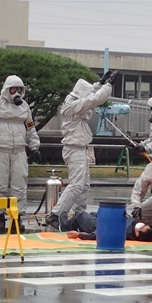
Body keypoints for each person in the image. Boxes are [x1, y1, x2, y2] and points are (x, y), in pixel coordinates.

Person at [46, 71, 118, 229]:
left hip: (79, 149)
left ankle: (80, 215)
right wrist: (108, 85)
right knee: (77, 185)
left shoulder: (73, 100)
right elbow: (94, 99)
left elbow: (88, 95)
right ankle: (56, 214)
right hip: (74, 149)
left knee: (84, 186)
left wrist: (99, 83)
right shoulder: (74, 106)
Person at [0, 75, 42, 234]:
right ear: (7, 89)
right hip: (0, 150)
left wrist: (35, 147)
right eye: (13, 89)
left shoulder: (24, 107)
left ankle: (17, 216)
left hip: (19, 151)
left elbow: (30, 128)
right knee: (0, 184)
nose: (16, 93)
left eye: (19, 89)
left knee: (20, 185)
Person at [60, 211, 152, 242]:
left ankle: (65, 225)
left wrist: (79, 235)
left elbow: (101, 233)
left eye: (141, 227)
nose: (142, 225)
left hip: (100, 225)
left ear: (137, 233)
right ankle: (76, 221)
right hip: (109, 219)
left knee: (81, 215)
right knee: (93, 213)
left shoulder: (125, 229)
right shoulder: (147, 233)